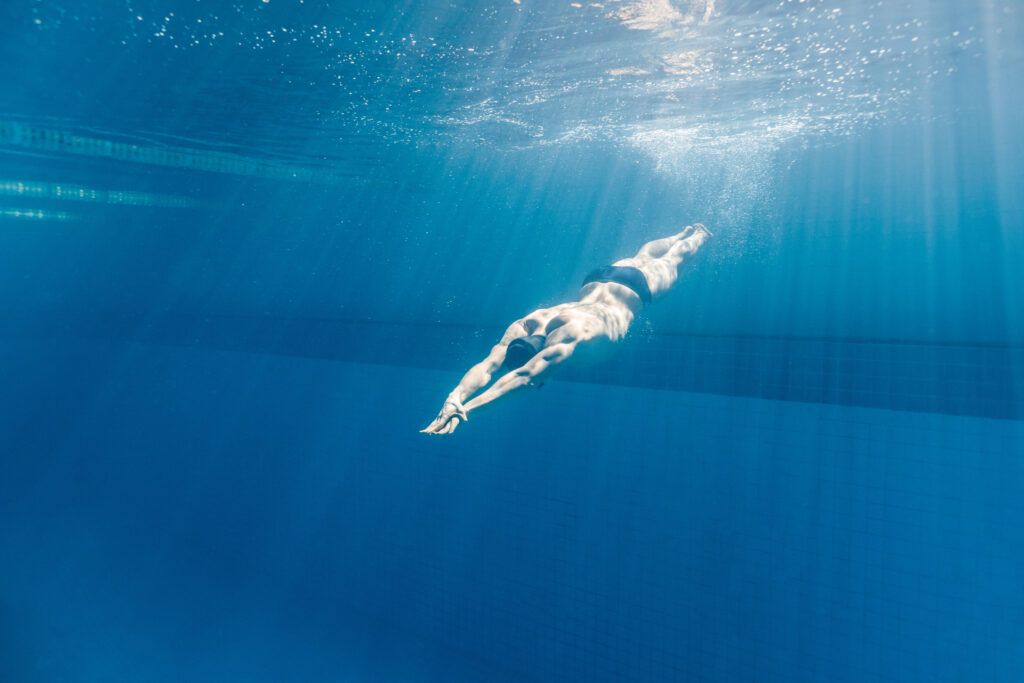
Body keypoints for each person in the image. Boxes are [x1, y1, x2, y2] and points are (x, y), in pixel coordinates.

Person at [421, 224, 712, 435]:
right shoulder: (531, 320)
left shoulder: (567, 334)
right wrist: (454, 396)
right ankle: (680, 234)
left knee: (674, 260)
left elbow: (524, 377)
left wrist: (466, 410)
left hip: (633, 291)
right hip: (599, 279)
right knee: (643, 254)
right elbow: (489, 366)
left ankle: (700, 234)